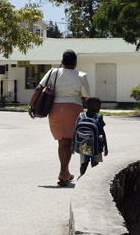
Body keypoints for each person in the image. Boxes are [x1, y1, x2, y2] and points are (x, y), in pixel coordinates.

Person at [28, 50, 90, 186]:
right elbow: (86, 98)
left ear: (62, 61)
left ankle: (65, 172)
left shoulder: (52, 72)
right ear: (75, 62)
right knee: (69, 142)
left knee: (62, 142)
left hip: (55, 110)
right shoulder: (81, 75)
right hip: (73, 109)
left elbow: (39, 89)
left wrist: (30, 105)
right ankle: (63, 173)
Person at [78, 96, 108, 177]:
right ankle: (94, 177)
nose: (100, 107)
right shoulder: (98, 117)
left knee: (84, 163)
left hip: (83, 145)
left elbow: (75, 131)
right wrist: (106, 147)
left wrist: (73, 145)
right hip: (96, 146)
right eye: (99, 105)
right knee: (95, 163)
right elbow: (102, 133)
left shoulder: (81, 116)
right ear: (93, 105)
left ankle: (82, 176)